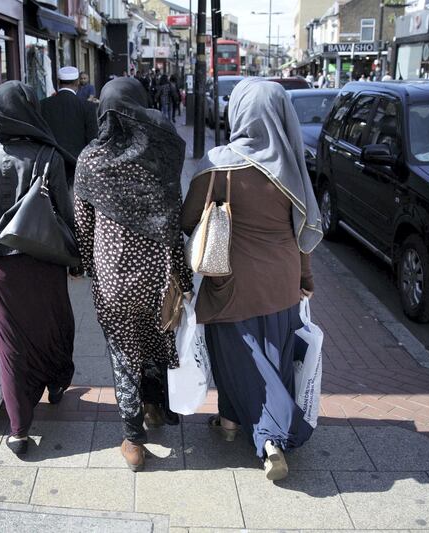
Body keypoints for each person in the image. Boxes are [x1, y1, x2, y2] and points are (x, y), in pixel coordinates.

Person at [182, 78, 323, 481]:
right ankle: (230, 422)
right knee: (271, 359)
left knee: (235, 357)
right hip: (282, 281)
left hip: (230, 281)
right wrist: (306, 277)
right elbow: (303, 231)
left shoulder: (218, 164)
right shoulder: (291, 167)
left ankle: (272, 437)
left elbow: (188, 219)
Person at [74, 77, 192, 472]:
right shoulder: (161, 155)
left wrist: (91, 269)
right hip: (158, 273)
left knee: (125, 353)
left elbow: (83, 226)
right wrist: (184, 277)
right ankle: (156, 409)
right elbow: (174, 223)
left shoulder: (90, 159)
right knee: (157, 340)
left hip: (113, 276)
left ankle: (132, 439)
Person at [0, 81, 78, 457]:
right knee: (54, 327)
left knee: (11, 345)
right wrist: (76, 260)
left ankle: (19, 430)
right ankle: (57, 383)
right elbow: (65, 214)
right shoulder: (50, 157)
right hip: (45, 261)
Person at [40, 66, 98, 170]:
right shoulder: (87, 106)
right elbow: (92, 139)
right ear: (77, 82)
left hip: (51, 163)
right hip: (78, 164)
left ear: (58, 82)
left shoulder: (43, 104)